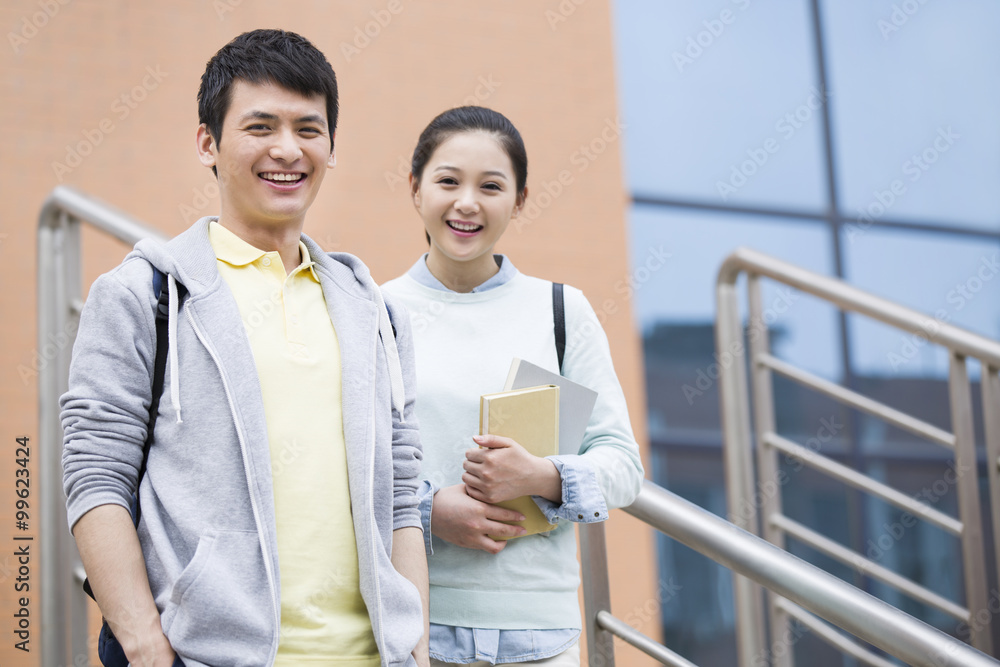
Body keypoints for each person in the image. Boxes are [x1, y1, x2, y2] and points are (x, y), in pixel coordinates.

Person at [61, 29, 428, 667]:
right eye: (261, 126)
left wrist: (414, 648)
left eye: (309, 130)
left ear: (331, 147)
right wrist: (144, 643)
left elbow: (401, 492)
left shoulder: (374, 310)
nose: (287, 149)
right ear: (208, 142)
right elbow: (96, 476)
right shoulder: (141, 294)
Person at [381, 106, 644, 667]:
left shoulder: (560, 311)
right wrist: (428, 512)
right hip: (414, 626)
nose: (467, 202)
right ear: (415, 189)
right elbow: (341, 469)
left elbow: (622, 464)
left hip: (541, 640)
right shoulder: (374, 312)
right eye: (448, 181)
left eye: (491, 186)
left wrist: (543, 476)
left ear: (520, 200)